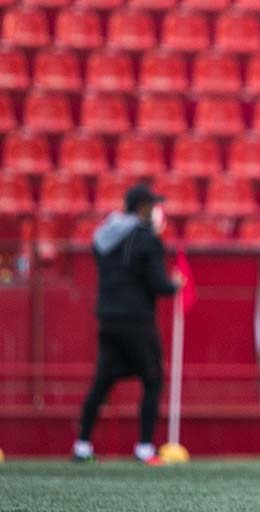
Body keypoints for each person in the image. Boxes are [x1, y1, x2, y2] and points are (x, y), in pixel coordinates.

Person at [72, 183, 183, 465]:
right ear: (143, 207)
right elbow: (157, 284)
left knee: (102, 382)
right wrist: (174, 285)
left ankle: (82, 445)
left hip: (108, 317)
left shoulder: (107, 236)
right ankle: (145, 447)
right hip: (136, 320)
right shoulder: (146, 239)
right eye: (152, 204)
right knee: (153, 379)